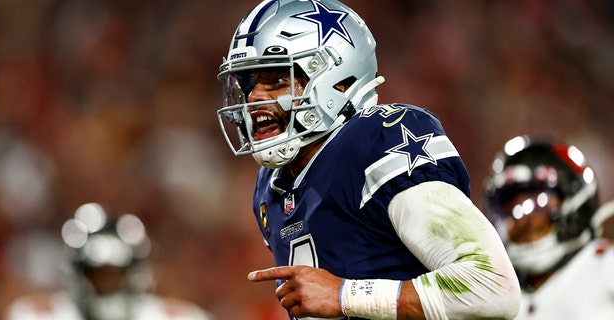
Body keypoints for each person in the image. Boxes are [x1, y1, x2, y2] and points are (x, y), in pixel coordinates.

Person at [215, 0, 521, 319]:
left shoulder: (378, 139)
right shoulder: (271, 187)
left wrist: (346, 295)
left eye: (276, 80)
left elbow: (493, 286)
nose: (253, 99)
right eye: (248, 84)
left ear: (339, 81)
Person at [5, 202, 214, 320]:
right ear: (79, 273)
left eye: (115, 273)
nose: (107, 283)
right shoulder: (40, 315)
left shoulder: (177, 317)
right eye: (98, 274)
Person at [483, 135, 614, 319]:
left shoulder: (605, 265)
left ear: (574, 203)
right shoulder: (492, 293)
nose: (524, 221)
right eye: (510, 209)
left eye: (539, 204)